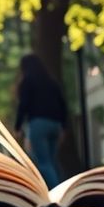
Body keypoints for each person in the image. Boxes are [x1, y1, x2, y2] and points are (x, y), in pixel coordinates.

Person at [14, 54, 68, 189]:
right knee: (52, 161)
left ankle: (56, 196)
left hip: (38, 124)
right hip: (55, 125)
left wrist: (18, 126)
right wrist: (63, 127)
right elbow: (63, 104)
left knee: (43, 162)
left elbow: (23, 104)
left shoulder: (27, 81)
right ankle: (64, 190)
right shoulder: (52, 81)